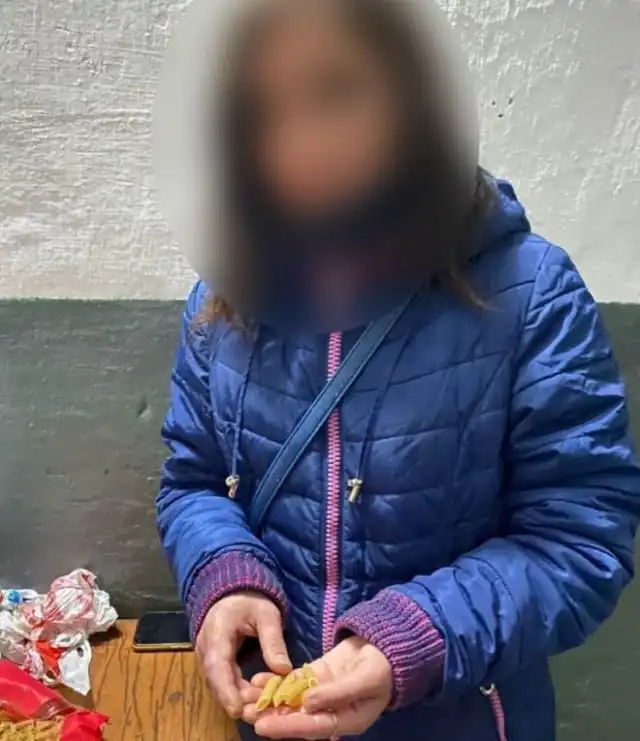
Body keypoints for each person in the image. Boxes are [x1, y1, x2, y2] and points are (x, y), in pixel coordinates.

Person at [155, 1, 640, 739]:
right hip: (274, 719)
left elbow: (581, 537)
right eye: (260, 111)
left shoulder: (530, 293)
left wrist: (415, 636)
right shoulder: (224, 298)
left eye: (336, 91)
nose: (299, 146)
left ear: (412, 101)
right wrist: (224, 577)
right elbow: (192, 482)